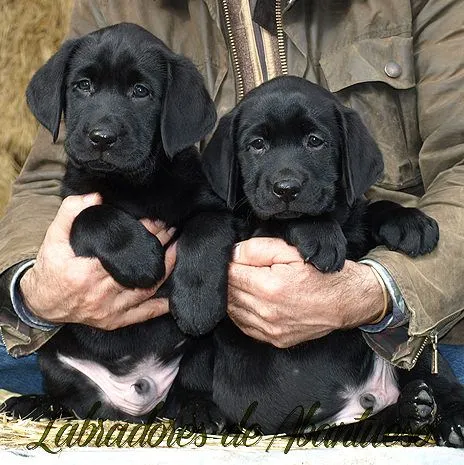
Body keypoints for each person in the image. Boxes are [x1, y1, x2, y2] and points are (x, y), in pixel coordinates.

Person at [0, 0, 463, 396]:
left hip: (394, 318)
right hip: (195, 333)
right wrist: (35, 291)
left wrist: (381, 290)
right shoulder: (118, 5)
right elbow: (48, 177)